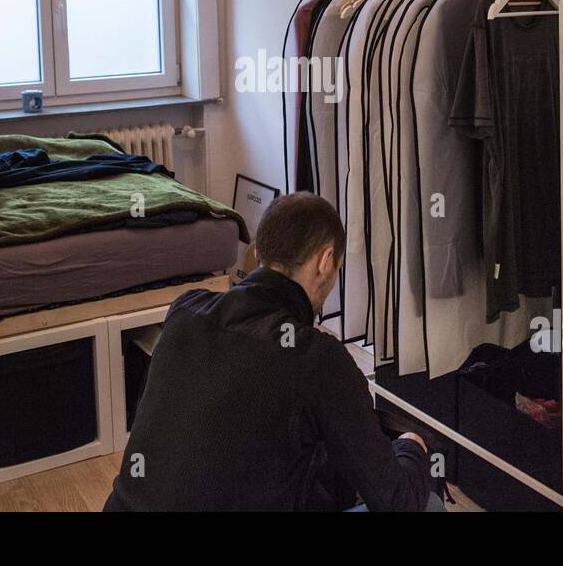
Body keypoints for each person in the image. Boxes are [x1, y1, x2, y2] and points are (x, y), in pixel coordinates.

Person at [104, 192, 437, 511]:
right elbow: (396, 501)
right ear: (324, 261)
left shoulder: (185, 311)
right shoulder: (318, 358)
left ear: (258, 253)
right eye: (337, 267)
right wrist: (412, 446)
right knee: (429, 504)